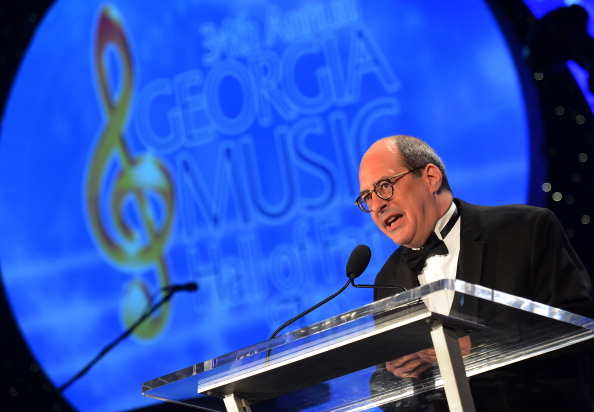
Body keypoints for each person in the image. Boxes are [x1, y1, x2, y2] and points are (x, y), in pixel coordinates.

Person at [358, 135, 594, 411]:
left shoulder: (525, 229)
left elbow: (582, 326)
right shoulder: (387, 280)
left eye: (384, 186)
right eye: (366, 197)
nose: (376, 206)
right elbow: (384, 386)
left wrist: (473, 347)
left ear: (431, 177)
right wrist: (398, 375)